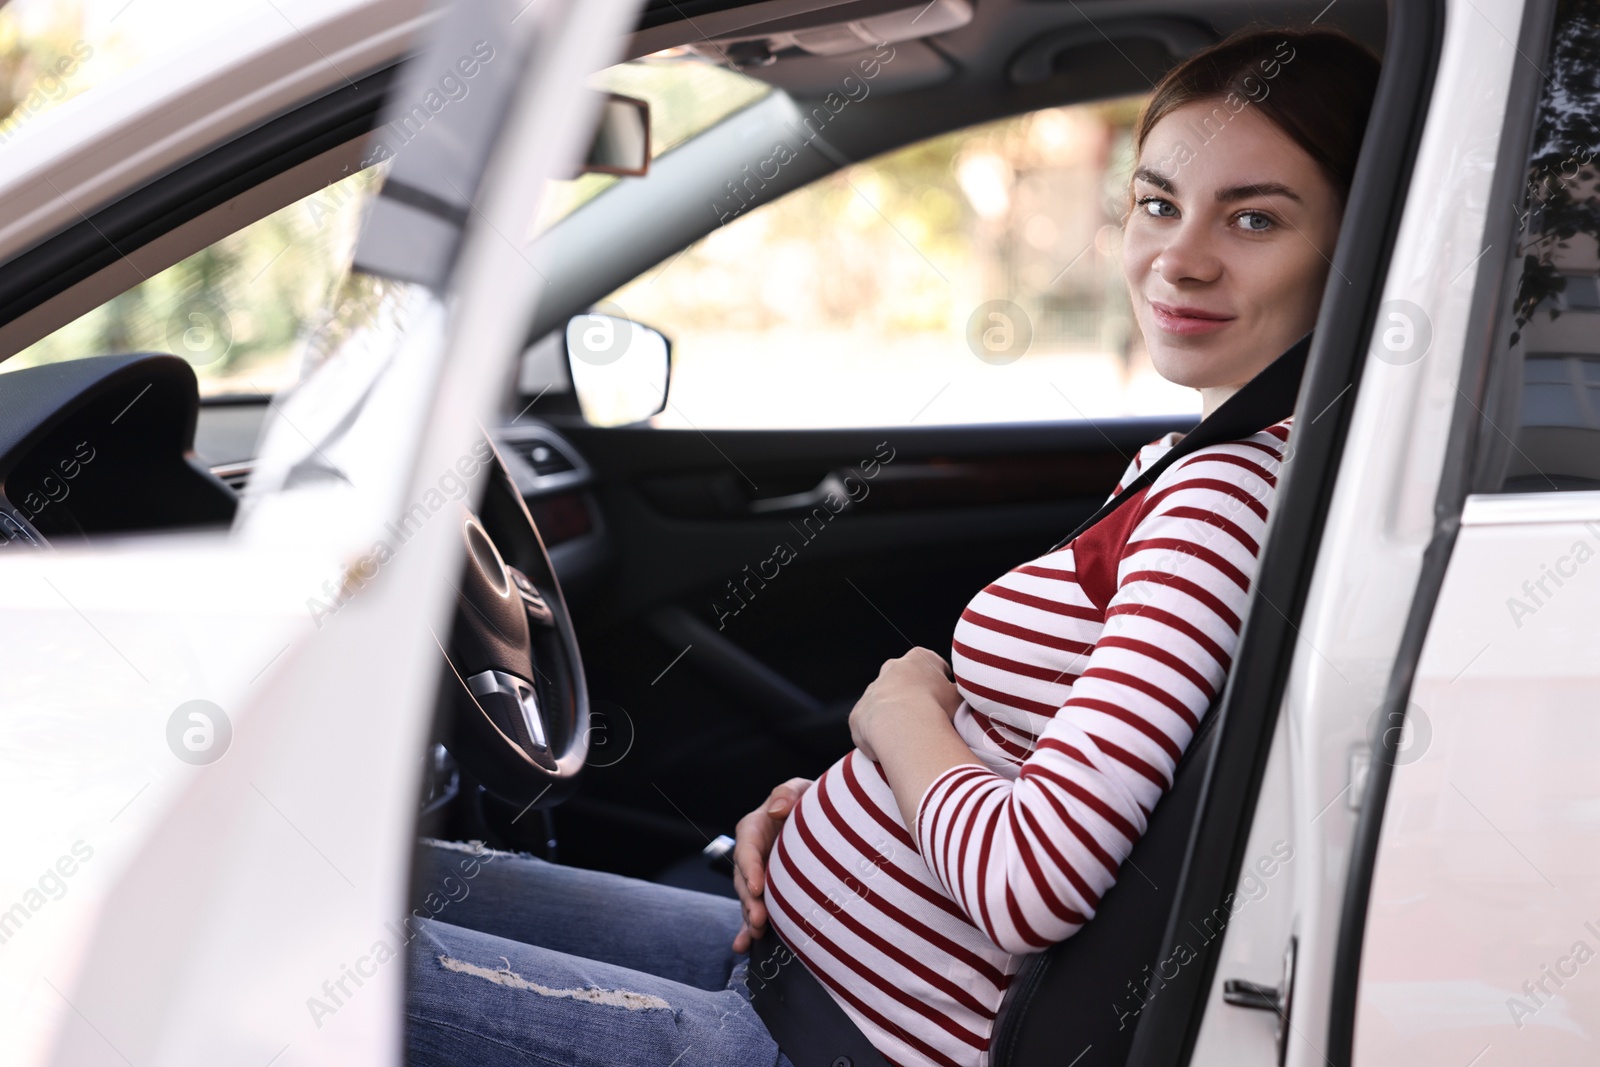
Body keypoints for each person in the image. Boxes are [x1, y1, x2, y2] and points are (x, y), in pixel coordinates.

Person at [404, 26, 1381, 1067]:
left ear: (1356, 243)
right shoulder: (1203, 461)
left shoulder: (1220, 504)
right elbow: (1040, 763)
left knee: (270, 943)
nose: (1178, 259)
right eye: (1156, 203)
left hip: (824, 1039)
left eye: (1255, 217)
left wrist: (900, 708)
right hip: (791, 962)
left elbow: (1029, 879)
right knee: (386, 882)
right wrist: (843, 796)